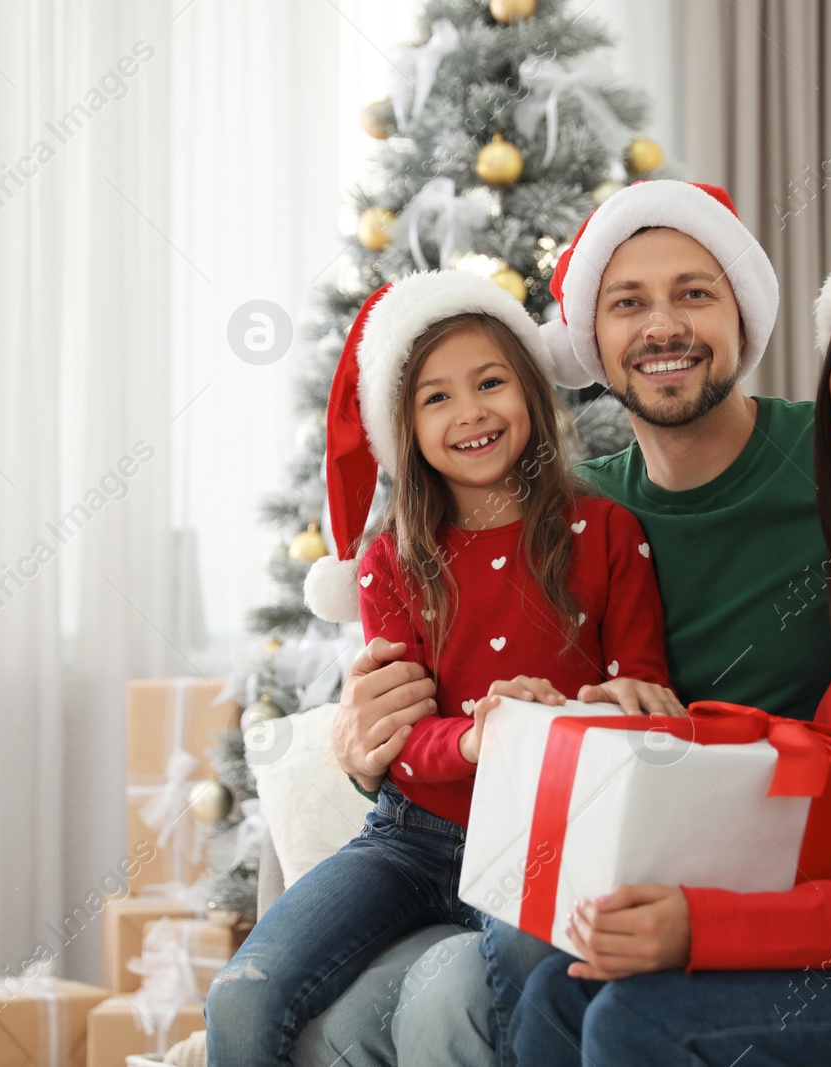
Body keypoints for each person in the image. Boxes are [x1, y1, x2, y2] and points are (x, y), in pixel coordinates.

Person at [301, 182, 831, 1067]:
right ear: (591, 339)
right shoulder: (577, 523)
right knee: (518, 982)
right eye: (628, 303)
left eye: (695, 293)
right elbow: (460, 691)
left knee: (532, 981)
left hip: (814, 864)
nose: (662, 325)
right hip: (652, 844)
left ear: (744, 318)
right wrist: (367, 746)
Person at [202, 270, 675, 1065]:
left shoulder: (606, 531)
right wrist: (473, 741)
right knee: (243, 990)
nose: (471, 412)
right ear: (406, 429)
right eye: (436, 398)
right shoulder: (392, 562)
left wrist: (553, 722)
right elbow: (398, 738)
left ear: (528, 391)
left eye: (490, 382)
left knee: (527, 965)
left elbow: (641, 697)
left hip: (544, 836)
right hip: (410, 835)